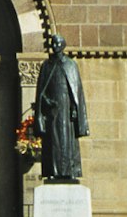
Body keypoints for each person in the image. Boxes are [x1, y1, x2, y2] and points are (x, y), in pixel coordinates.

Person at [34, 34, 89, 180]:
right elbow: (41, 91)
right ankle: (53, 172)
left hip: (66, 109)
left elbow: (76, 91)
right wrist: (46, 100)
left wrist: (74, 109)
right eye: (53, 43)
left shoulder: (70, 65)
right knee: (53, 141)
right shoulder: (46, 65)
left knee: (67, 140)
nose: (55, 46)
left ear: (63, 45)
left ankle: (68, 172)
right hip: (52, 110)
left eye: (58, 44)